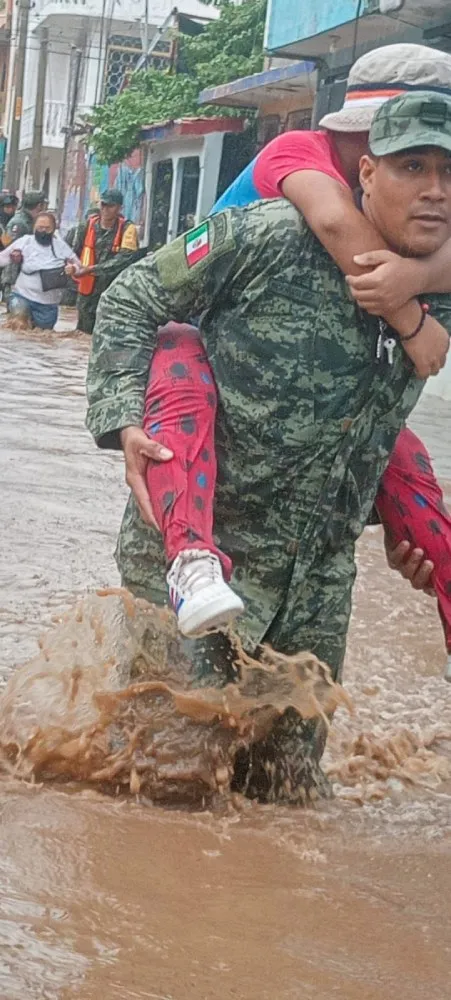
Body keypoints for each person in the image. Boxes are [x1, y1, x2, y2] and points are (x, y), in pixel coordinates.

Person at [87, 93, 451, 798]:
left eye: (449, 171)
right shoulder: (269, 237)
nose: (434, 189)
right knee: (165, 786)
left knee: (286, 797)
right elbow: (133, 299)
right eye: (412, 167)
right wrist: (123, 420)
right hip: (196, 563)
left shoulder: (440, 292)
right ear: (367, 173)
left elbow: (359, 427)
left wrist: (394, 531)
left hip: (315, 586)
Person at [133, 43, 451, 678]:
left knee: (401, 458)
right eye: (410, 159)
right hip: (199, 344)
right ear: (366, 149)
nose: (431, 184)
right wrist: (411, 315)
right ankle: (190, 559)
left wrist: (419, 275)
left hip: (311, 571)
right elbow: (338, 228)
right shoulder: (299, 155)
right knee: (165, 737)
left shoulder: (423, 212)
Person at [65, 189, 139, 334]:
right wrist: (72, 267)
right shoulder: (85, 227)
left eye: (110, 206)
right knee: (83, 335)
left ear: (119, 208)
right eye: (103, 205)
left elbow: (124, 260)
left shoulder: (128, 229)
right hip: (88, 292)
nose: (105, 209)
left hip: (115, 291)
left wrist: (91, 269)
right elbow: (74, 254)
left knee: (109, 333)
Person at [0, 211, 80, 330]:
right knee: (18, 323)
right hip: (22, 296)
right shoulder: (25, 242)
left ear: (54, 229)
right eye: (40, 227)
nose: (43, 231)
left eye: (47, 228)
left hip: (48, 305)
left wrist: (73, 269)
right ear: (34, 228)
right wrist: (13, 257)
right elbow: (2, 258)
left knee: (43, 336)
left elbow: (79, 266)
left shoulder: (61, 246)